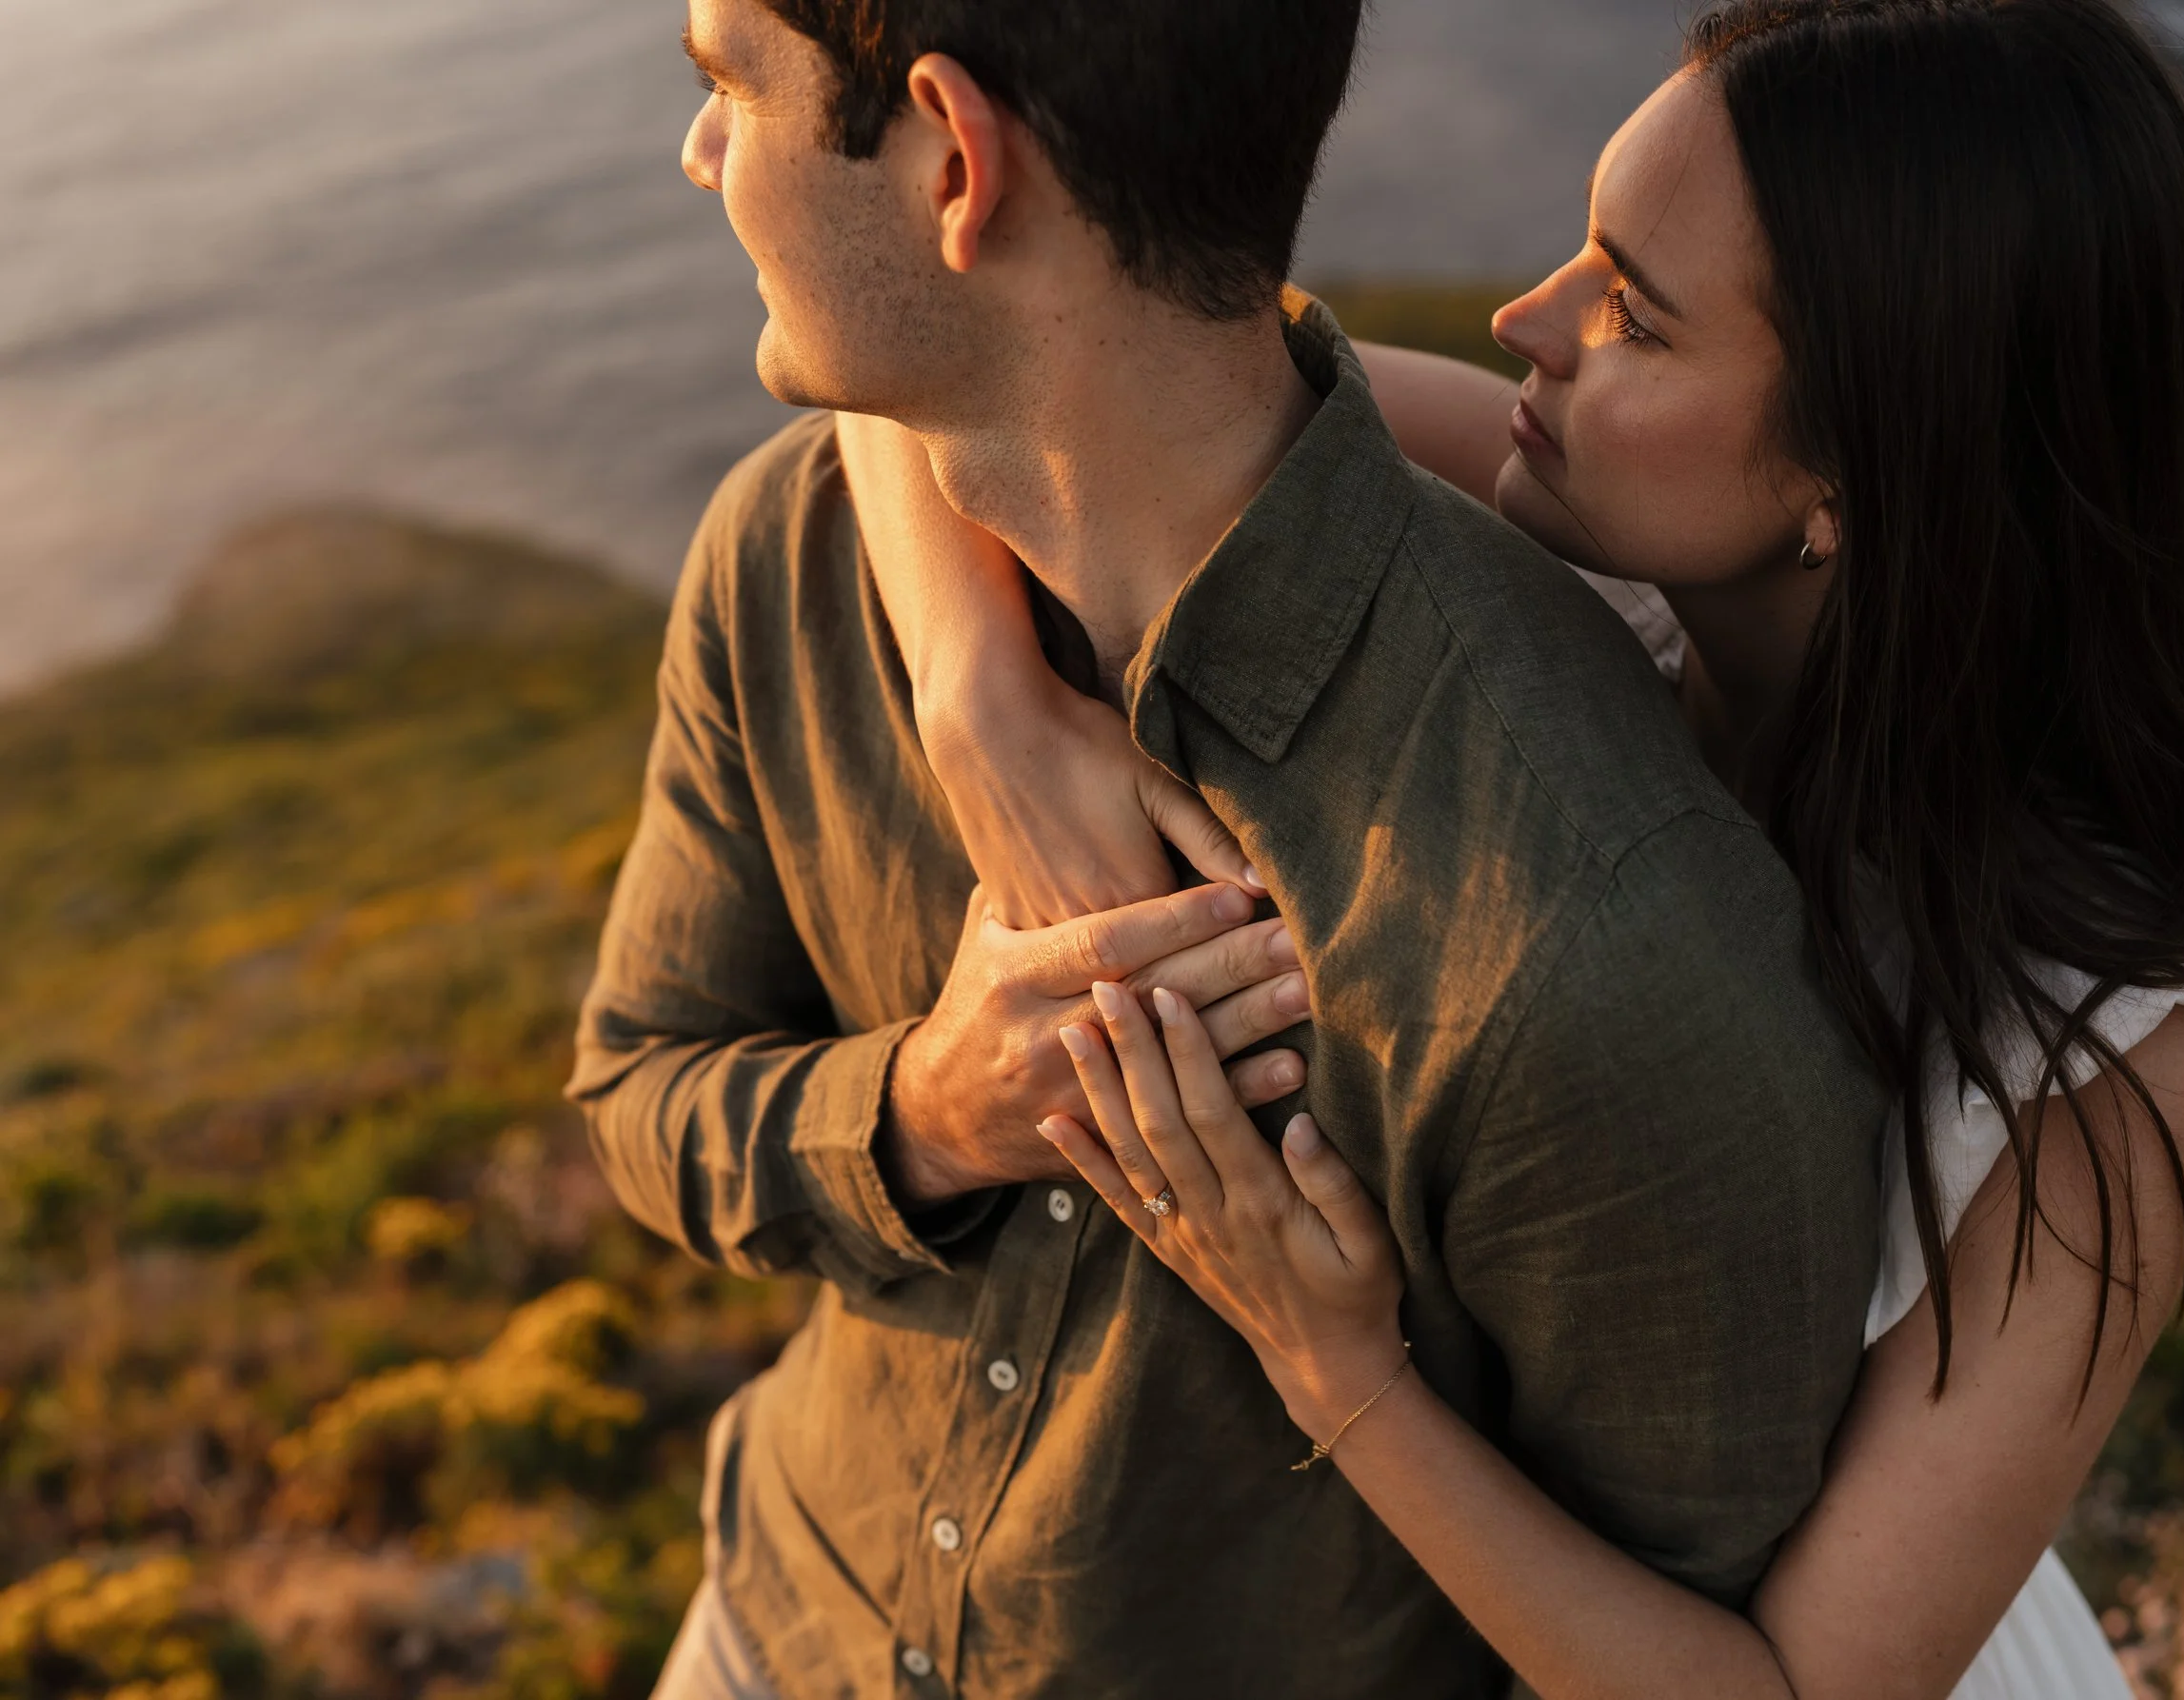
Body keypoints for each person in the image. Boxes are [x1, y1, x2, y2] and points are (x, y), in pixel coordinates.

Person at [853, 1, 2184, 1696]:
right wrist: (982, 699)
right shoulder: (1569, 506)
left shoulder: (2119, 1050)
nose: (1522, 321)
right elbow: (989, 335)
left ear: (1855, 470)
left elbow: (1793, 1691)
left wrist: (1339, 1368)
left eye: (1629, 308)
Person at [577, 0, 1885, 1694]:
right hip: (775, 1627)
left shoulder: (1612, 952)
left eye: (731, 87)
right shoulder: (790, 551)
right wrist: (927, 1116)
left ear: (957, 162)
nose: (701, 153)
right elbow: (640, 1087)